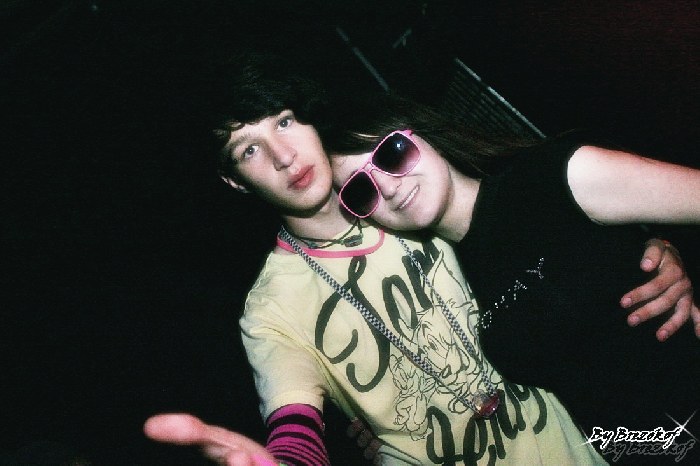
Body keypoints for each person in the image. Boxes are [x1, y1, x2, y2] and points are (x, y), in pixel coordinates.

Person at [144, 54, 695, 465]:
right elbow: (295, 424)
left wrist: (654, 248)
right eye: (249, 149)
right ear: (235, 180)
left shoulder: (422, 200)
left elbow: (553, 222)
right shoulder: (271, 310)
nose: (284, 156)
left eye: (284, 121)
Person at [324, 91, 700, 464]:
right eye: (361, 189)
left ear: (423, 135)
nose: (388, 187)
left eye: (391, 154)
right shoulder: (447, 279)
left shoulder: (552, 177)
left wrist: (675, 255)